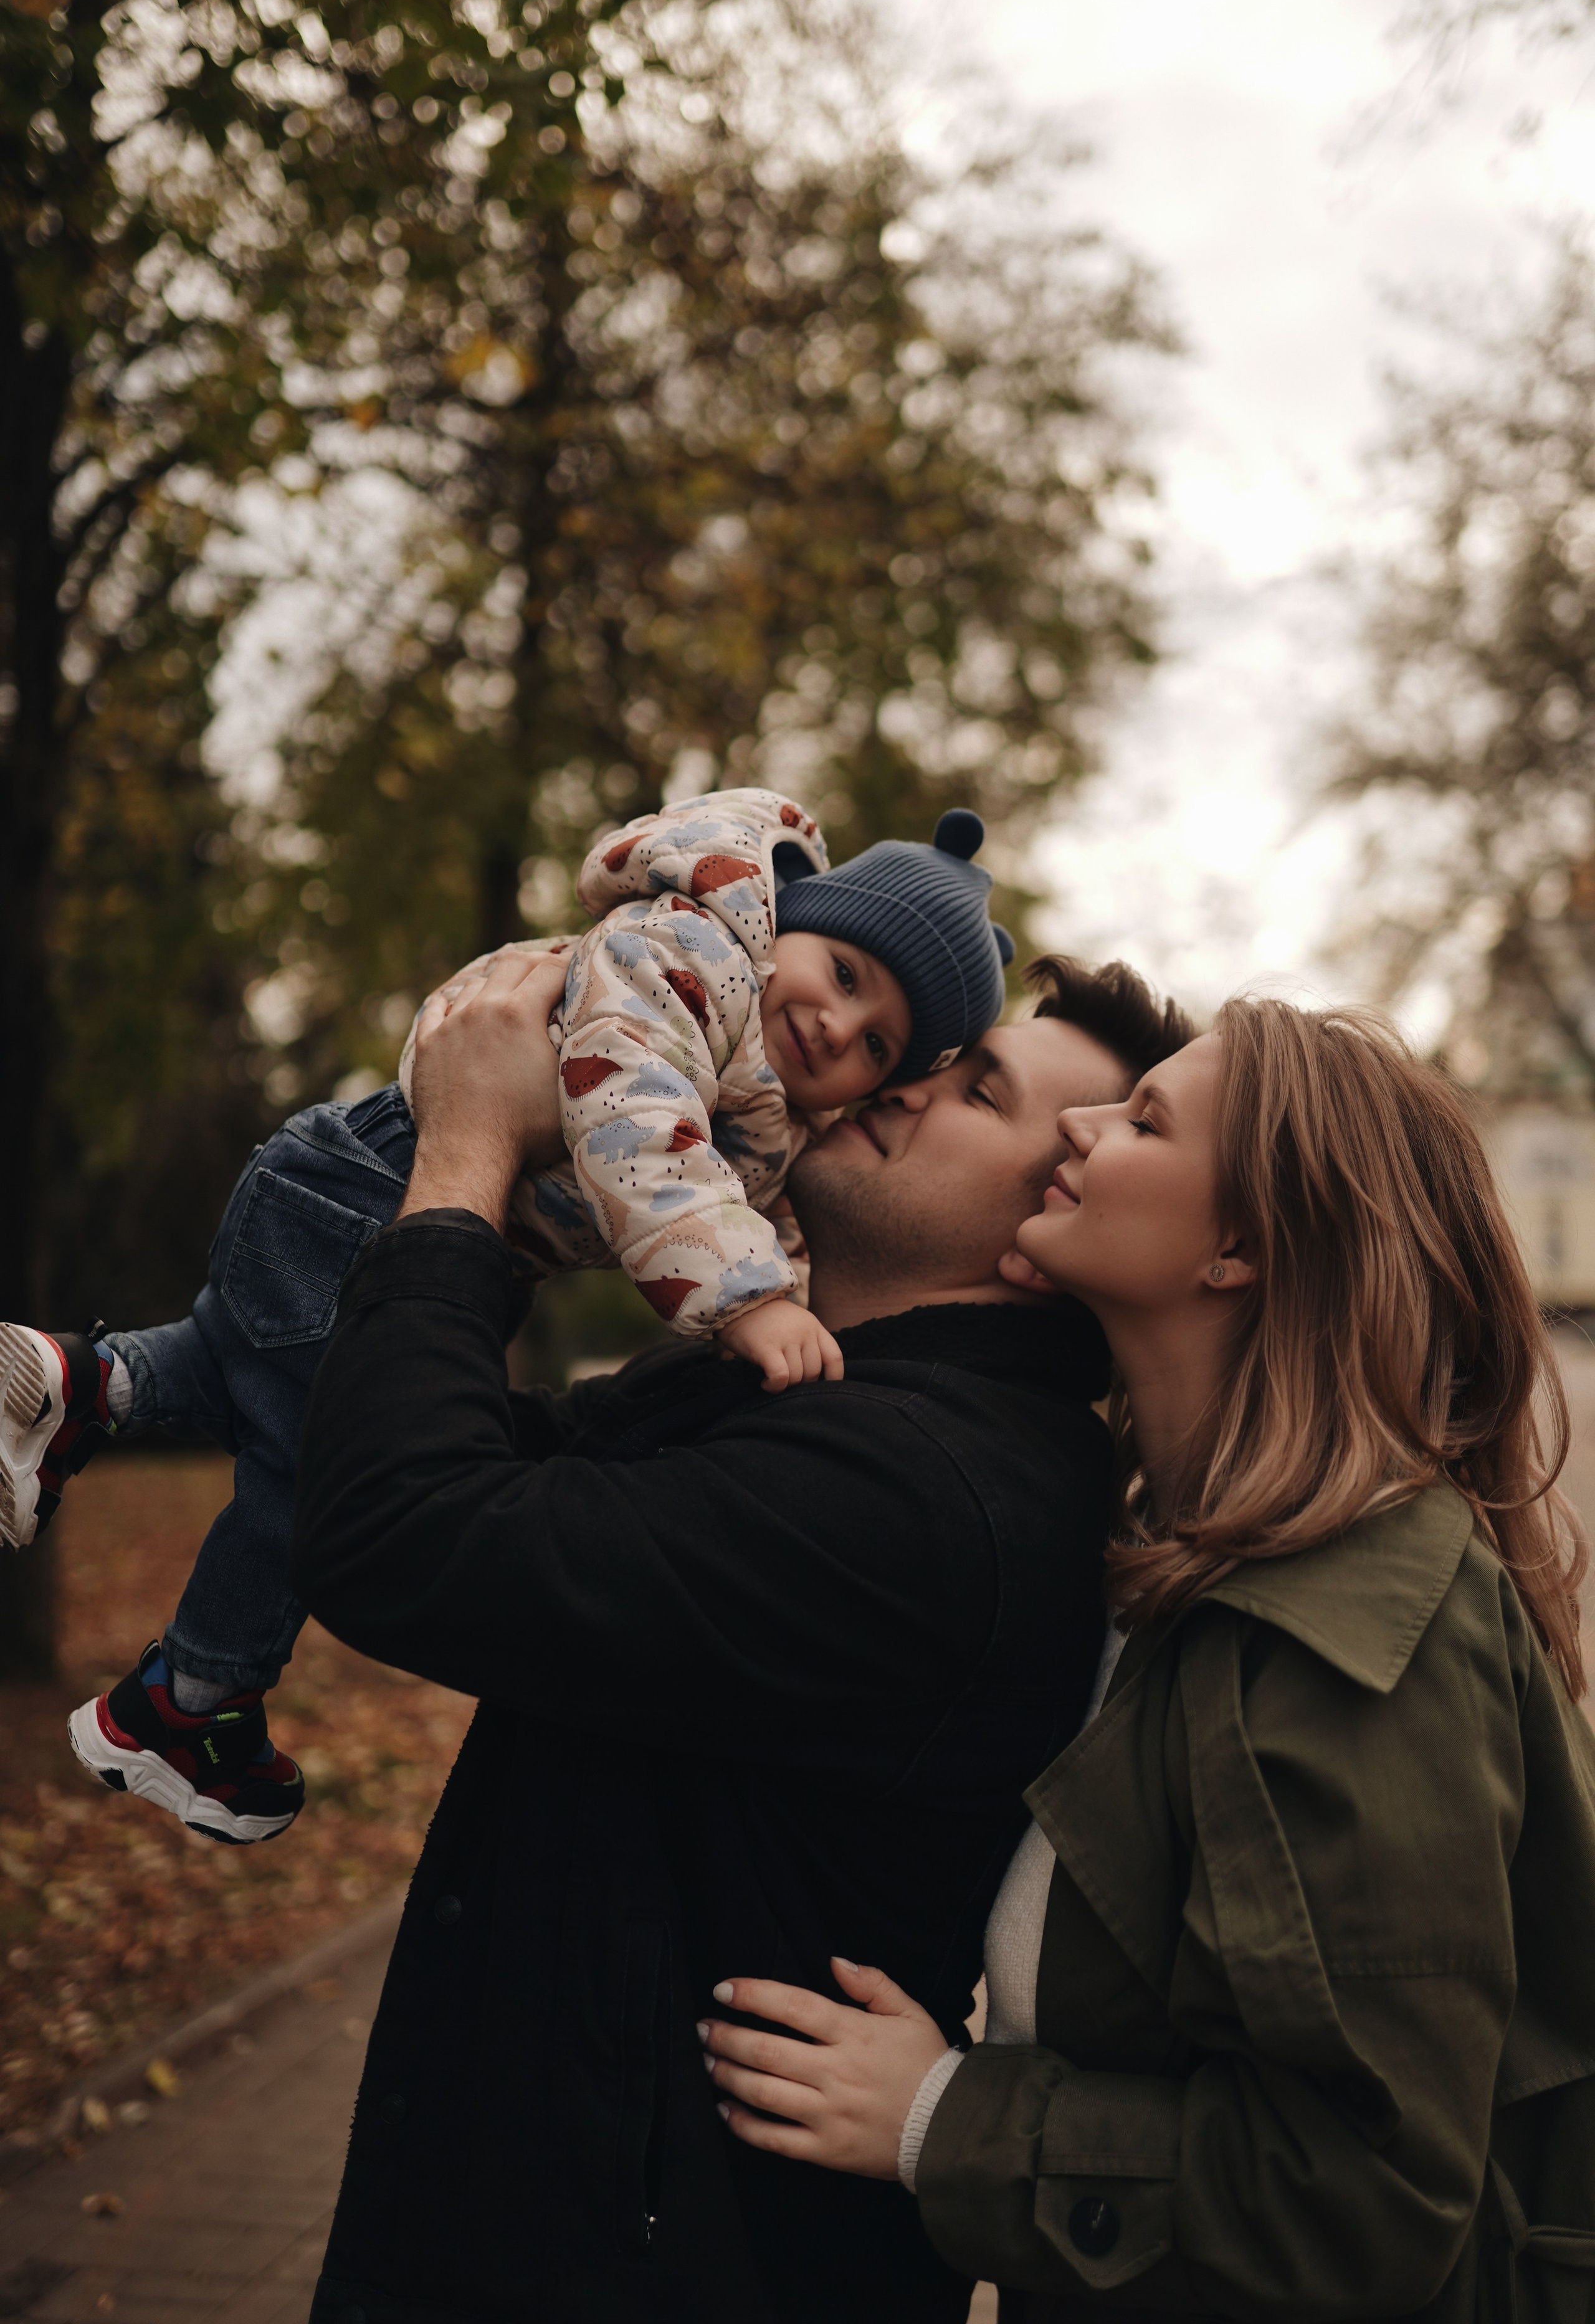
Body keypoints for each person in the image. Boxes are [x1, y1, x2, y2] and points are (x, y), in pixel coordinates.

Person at [288, 946, 1194, 2324]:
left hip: (653, 2264)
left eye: (976, 1088)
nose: (903, 1079)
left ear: (1045, 1225)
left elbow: (401, 1534)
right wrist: (560, 1182)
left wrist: (469, 1156)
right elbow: (402, 1446)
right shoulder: (819, 1400)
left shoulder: (919, 1495)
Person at [700, 997, 1595, 2324]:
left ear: (1238, 1248)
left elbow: (1359, 2199)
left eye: (1143, 1119)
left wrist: (941, 2119)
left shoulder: (1345, 1631)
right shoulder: (1154, 1543)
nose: (1078, 1121)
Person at [0, 787, 1014, 1844]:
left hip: (340, 1187)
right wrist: (746, 1302)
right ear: (796, 919)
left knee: (236, 1361)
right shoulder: (695, 958)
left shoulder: (765, 1094)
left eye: (879, 1046)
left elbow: (765, 1216)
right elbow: (636, 1119)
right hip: (384, 1187)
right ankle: (187, 1702)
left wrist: (811, 1315)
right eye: (845, 976)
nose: (837, 1025)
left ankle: (74, 1384)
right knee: (310, 1472)